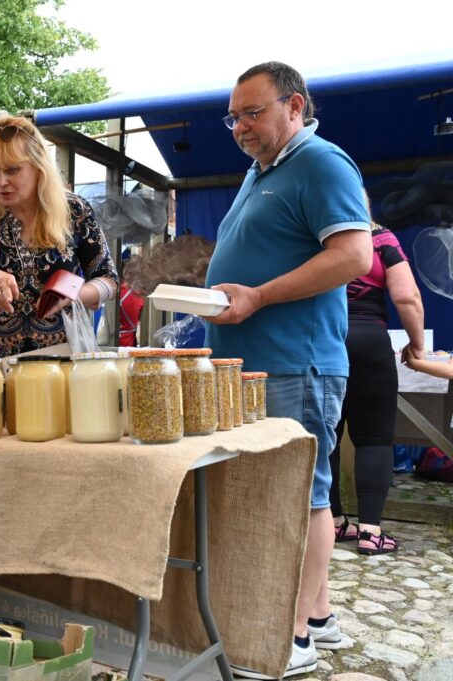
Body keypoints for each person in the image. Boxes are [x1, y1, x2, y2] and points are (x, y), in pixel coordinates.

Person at [204, 62, 372, 678]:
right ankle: (318, 616)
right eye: (233, 117)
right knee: (295, 491)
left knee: (302, 495)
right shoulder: (263, 170)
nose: (240, 127)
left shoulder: (322, 161)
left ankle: (290, 636)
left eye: (253, 113)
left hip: (296, 360)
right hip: (260, 361)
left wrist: (258, 295)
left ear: (295, 106)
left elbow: (353, 256)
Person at [0, 115, 117, 357]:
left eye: (12, 169)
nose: (1, 182)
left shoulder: (75, 210)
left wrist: (74, 295)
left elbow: (109, 280)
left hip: (63, 360)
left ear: (39, 166)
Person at [329, 218, 424, 556]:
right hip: (369, 339)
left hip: (324, 339)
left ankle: (333, 522)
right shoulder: (380, 237)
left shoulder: (313, 236)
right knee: (375, 438)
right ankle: (371, 532)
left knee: (328, 436)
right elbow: (407, 296)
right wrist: (417, 345)